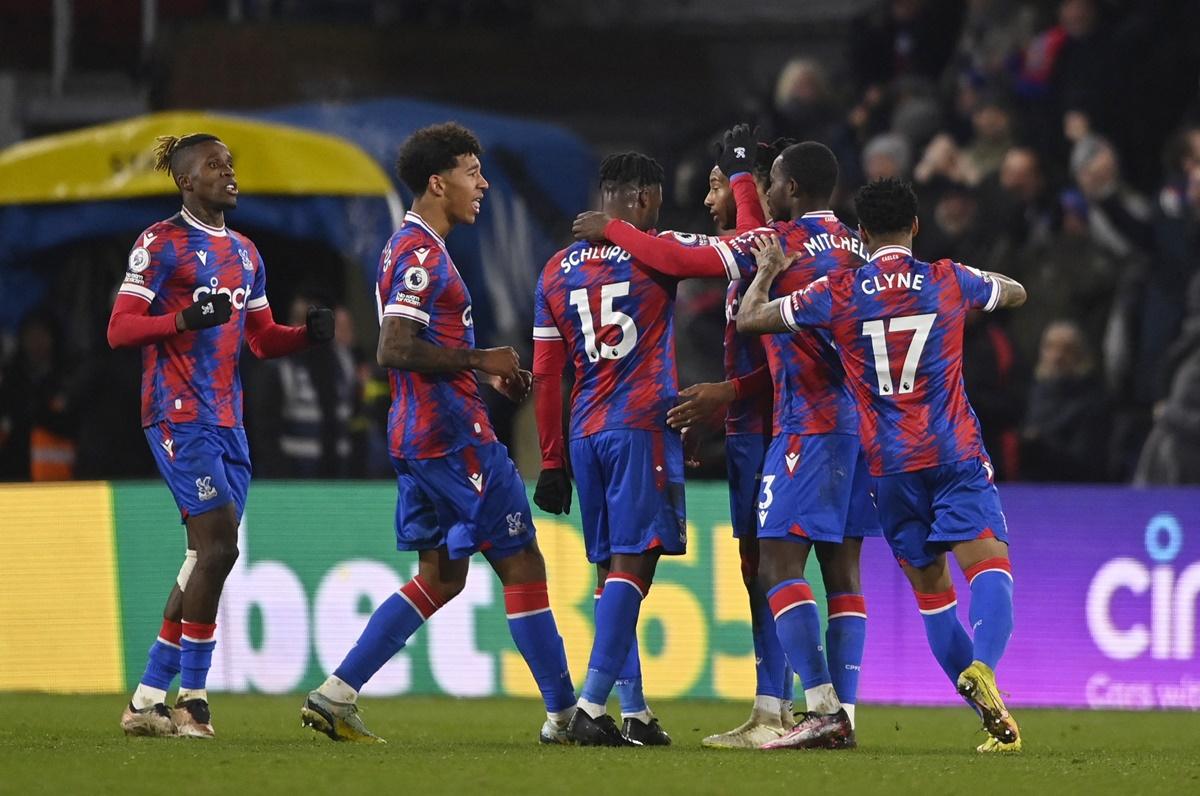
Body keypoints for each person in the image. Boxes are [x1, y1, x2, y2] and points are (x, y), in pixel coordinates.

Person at [575, 139, 880, 750]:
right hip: (853, 424)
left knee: (771, 568)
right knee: (839, 568)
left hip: (785, 425)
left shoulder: (772, 244)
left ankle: (804, 709)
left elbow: (686, 259)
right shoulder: (853, 245)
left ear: (777, 187)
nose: (713, 198)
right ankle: (825, 708)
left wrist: (730, 393)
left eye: (718, 185)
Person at [302, 122, 576, 745]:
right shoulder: (421, 255)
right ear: (437, 181)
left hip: (421, 435)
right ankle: (566, 716)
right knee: (523, 560)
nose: (481, 184)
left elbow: (423, 345)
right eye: (471, 172)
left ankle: (336, 693)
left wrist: (480, 372)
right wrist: (481, 361)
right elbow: (394, 347)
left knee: (443, 575)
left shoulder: (412, 248)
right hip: (453, 441)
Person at [739, 177, 1027, 753]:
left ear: (862, 233)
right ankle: (986, 668)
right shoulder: (947, 279)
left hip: (890, 467)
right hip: (953, 452)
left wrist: (768, 270)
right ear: (915, 226)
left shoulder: (840, 291)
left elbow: (751, 319)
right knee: (989, 564)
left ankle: (990, 718)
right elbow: (1015, 292)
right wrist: (984, 284)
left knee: (934, 596)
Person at [107, 132, 335, 737]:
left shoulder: (246, 253)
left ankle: (147, 700)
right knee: (220, 549)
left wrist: (305, 336)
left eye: (231, 165)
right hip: (177, 412)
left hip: (229, 420)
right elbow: (120, 330)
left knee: (201, 558)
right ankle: (194, 700)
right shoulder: (160, 243)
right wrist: (181, 318)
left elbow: (260, 339)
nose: (229, 174)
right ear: (186, 180)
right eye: (215, 166)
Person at [532, 152, 684, 747]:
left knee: (609, 571)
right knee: (634, 567)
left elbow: (548, 375)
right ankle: (590, 707)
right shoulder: (656, 253)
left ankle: (637, 711)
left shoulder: (554, 268)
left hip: (584, 433)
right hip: (639, 424)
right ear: (644, 198)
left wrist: (550, 459)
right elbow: (719, 257)